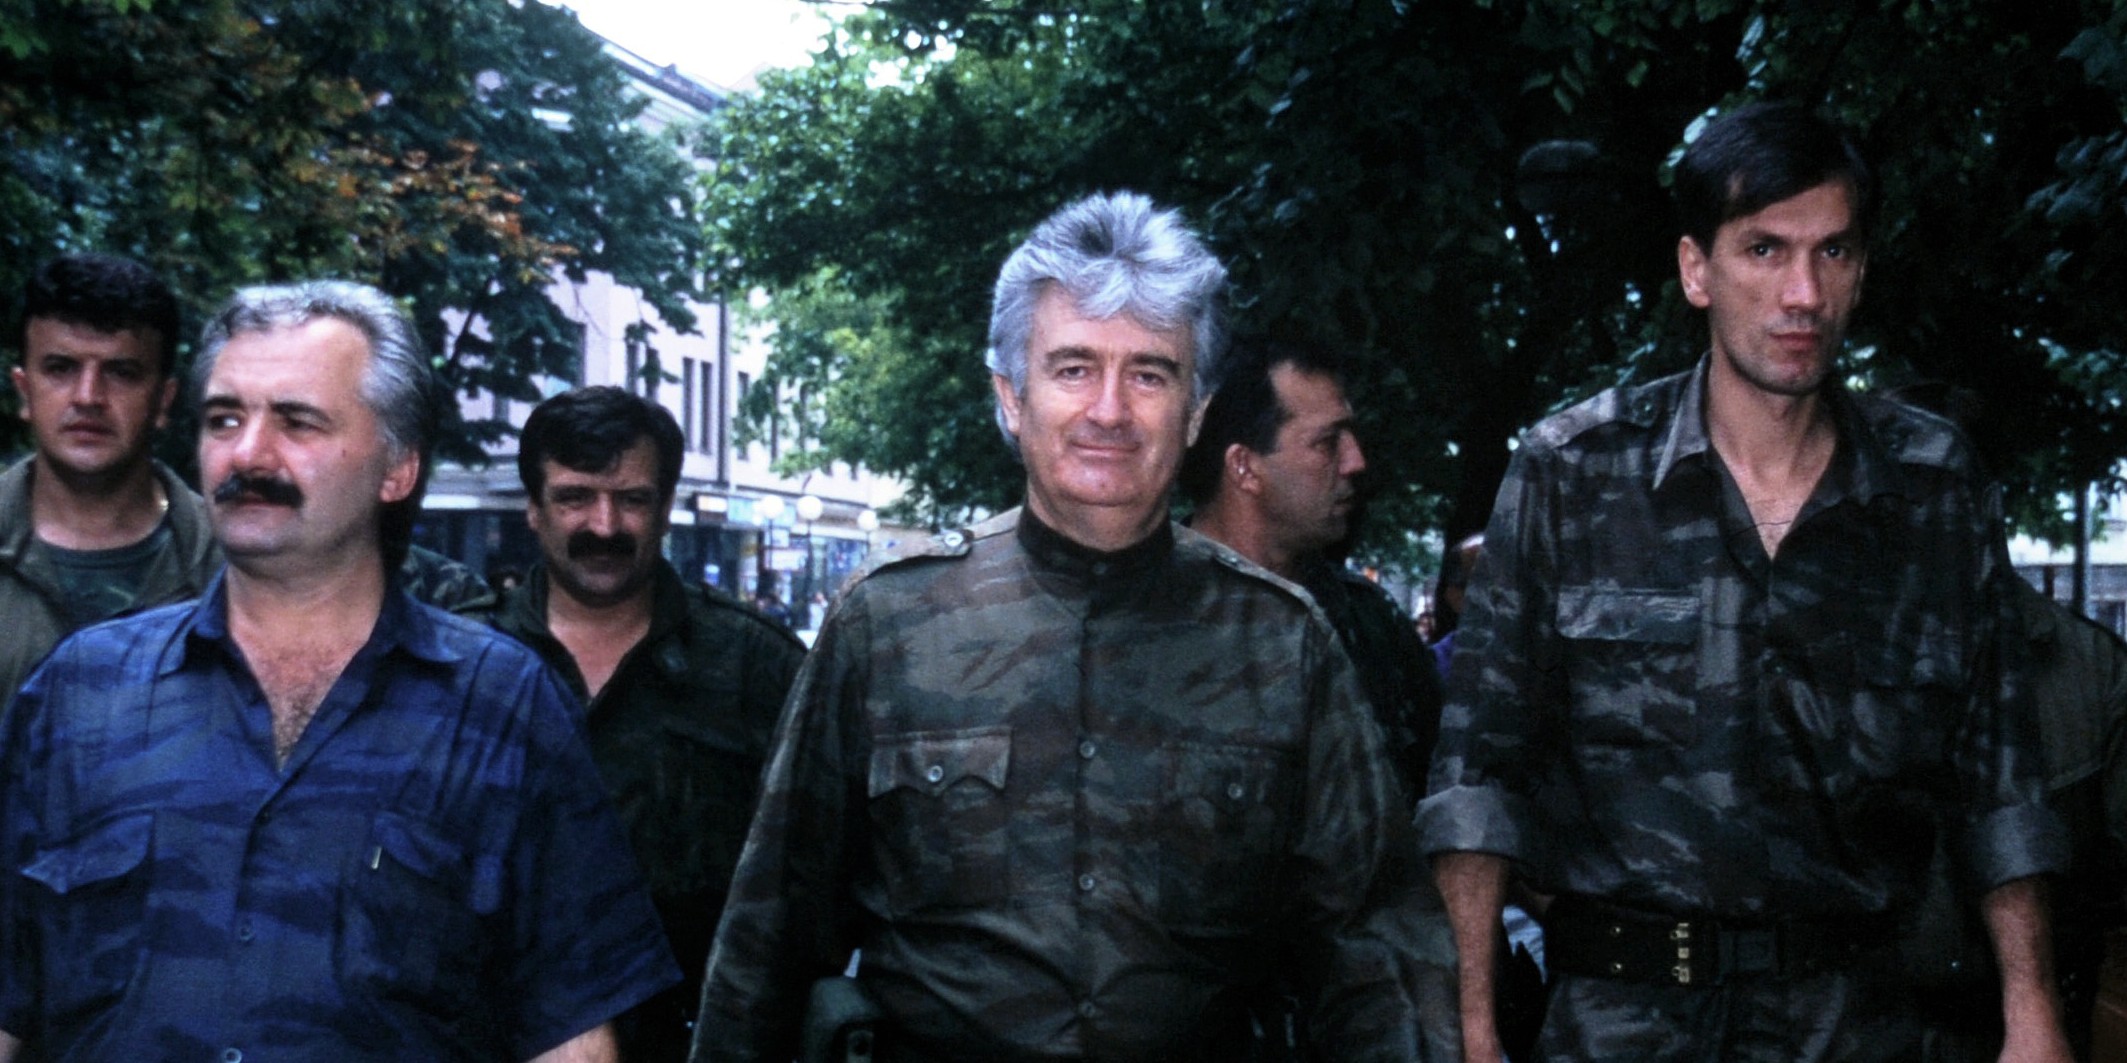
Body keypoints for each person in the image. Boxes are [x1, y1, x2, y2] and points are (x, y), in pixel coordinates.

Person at [694, 191, 1424, 1061]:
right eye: (1073, 367)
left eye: (1149, 373)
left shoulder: (1281, 642)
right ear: (1010, 396)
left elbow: (1375, 956)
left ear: (1194, 413)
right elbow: (767, 947)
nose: (1109, 411)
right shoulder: (886, 626)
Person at [1419, 101, 2072, 1062]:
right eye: (1763, 250)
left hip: (1857, 1021)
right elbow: (1478, 773)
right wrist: (1472, 1030)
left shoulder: (1933, 487)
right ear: (1697, 270)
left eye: (1833, 253)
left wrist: (2033, 1011)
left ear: (1860, 272)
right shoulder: (1572, 471)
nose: (1801, 293)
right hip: (1617, 1020)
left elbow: (2000, 779)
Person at [0, 280, 677, 1061]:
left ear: (397, 467)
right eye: (225, 418)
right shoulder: (80, 693)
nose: (247, 454)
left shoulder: (501, 706)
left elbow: (574, 1036)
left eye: (297, 421)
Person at [493, 385, 805, 1062]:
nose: (604, 525)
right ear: (533, 509)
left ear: (665, 509)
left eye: (631, 499)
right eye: (575, 496)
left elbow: (824, 881)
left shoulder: (756, 667)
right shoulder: (462, 666)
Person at [1182, 335, 1456, 1056]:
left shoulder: (1371, 627)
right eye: (1326, 442)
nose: (1356, 461)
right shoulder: (1148, 622)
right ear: (1243, 465)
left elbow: (1443, 821)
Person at [1, 253, 218, 705]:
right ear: (24, 391)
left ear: (163, 399)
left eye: (121, 373)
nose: (88, 397)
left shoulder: (233, 564)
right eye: (60, 368)